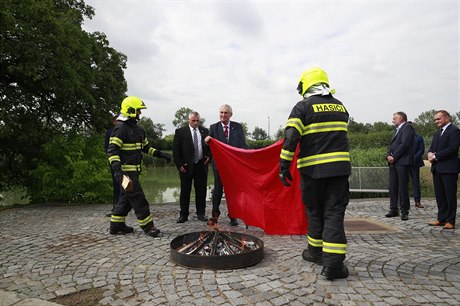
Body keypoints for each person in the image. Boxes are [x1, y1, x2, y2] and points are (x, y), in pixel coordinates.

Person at [279, 67, 351, 281]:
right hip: (338, 171)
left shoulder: (302, 107)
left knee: (314, 211)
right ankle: (328, 260)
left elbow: (291, 138)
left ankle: (325, 260)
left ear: (306, 85)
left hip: (312, 171)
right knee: (334, 213)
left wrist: (284, 165)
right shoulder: (340, 107)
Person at [107, 96, 171, 237]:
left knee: (126, 199)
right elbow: (112, 151)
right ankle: (148, 228)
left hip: (134, 173)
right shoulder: (120, 129)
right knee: (139, 199)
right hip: (125, 174)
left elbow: (146, 148)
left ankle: (116, 225)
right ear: (130, 110)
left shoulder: (139, 129)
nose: (140, 114)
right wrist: (118, 170)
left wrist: (161, 154)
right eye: (138, 111)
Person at [207, 104, 248, 226]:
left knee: (233, 191)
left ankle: (233, 216)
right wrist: (206, 141)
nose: (223, 115)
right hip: (219, 165)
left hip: (234, 166)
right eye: (221, 113)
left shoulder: (238, 127)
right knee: (218, 190)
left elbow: (243, 145)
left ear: (231, 114)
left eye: (225, 113)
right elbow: (209, 146)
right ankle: (215, 215)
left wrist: (251, 154)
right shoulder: (213, 127)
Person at [172, 111, 211, 223]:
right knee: (185, 191)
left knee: (201, 191)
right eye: (193, 120)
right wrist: (179, 165)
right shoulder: (180, 132)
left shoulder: (205, 131)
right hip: (186, 166)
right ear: (188, 120)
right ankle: (183, 215)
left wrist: (209, 157)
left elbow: (210, 147)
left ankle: (201, 214)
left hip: (201, 165)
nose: (195, 123)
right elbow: (176, 150)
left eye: (197, 121)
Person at [427, 110, 460, 230]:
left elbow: (452, 149)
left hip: (449, 169)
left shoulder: (454, 131)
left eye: (438, 119)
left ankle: (450, 221)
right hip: (437, 168)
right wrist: (430, 153)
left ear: (447, 118)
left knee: (449, 196)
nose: (436, 121)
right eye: (435, 119)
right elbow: (432, 147)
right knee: (440, 196)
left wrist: (435, 156)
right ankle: (441, 218)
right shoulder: (437, 133)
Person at [385, 111, 415, 221]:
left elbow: (405, 144)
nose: (392, 120)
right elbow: (392, 145)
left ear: (401, 118)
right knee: (392, 186)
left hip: (402, 162)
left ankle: (404, 211)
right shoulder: (397, 130)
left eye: (394, 118)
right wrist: (388, 155)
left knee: (403, 187)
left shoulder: (407, 127)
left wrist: (395, 156)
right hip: (394, 162)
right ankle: (393, 209)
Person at [105, 115, 121, 217]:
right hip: (114, 163)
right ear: (114, 122)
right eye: (117, 120)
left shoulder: (125, 131)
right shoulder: (109, 133)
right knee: (116, 185)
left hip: (125, 162)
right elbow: (106, 147)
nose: (118, 122)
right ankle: (115, 208)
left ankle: (126, 207)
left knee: (127, 185)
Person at [407, 122, 425, 209]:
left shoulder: (419, 138)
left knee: (415, 183)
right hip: (404, 164)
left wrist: (413, 158)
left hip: (415, 164)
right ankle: (403, 201)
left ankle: (417, 202)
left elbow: (421, 150)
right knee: (403, 183)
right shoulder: (403, 138)